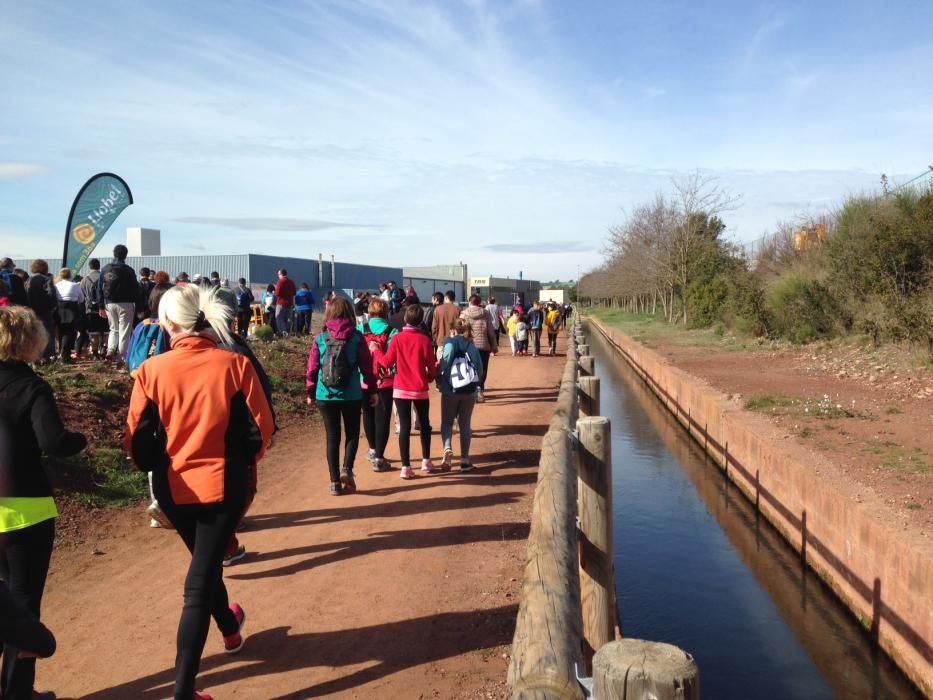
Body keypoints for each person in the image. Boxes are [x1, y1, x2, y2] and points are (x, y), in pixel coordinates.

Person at [125, 283, 275, 700]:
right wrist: (244, 469)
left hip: (173, 487)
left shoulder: (150, 371)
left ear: (169, 323)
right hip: (224, 485)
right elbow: (263, 429)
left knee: (204, 566)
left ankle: (229, 629)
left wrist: (159, 465)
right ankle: (183, 692)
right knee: (200, 580)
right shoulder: (233, 364)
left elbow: (135, 439)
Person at [0, 306, 87, 700]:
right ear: (31, 340)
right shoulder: (31, 387)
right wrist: (80, 440)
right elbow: (54, 442)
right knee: (23, 606)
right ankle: (19, 693)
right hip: (25, 509)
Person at [306, 297, 378, 495]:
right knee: (352, 433)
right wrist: (372, 390)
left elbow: (312, 368)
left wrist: (310, 392)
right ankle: (347, 469)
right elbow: (366, 366)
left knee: (332, 437)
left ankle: (334, 482)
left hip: (325, 394)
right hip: (352, 394)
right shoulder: (356, 337)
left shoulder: (321, 338)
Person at [377, 304, 436, 479]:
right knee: (424, 424)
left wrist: (376, 350)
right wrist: (429, 377)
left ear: (405, 319)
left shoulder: (397, 339)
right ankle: (426, 460)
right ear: (421, 320)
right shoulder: (425, 340)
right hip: (419, 389)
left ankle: (406, 467)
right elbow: (432, 370)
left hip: (401, 388)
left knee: (404, 426)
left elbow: (386, 363)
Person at [437, 318, 483, 472]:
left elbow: (445, 361)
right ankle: (464, 460)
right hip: (469, 390)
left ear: (453, 330)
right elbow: (480, 370)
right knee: (465, 424)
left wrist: (440, 378)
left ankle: (447, 447)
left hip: (451, 390)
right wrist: (476, 386)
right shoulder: (471, 346)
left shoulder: (450, 342)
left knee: (447, 422)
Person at [358, 298, 397, 472]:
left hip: (364, 380)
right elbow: (394, 358)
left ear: (370, 312)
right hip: (385, 380)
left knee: (368, 415)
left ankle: (372, 449)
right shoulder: (392, 331)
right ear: (385, 312)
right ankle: (380, 459)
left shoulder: (360, 330)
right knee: (383, 418)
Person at [98, 244, 140, 362]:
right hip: (126, 303)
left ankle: (110, 350)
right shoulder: (128, 270)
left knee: (113, 329)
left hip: (109, 303)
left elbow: (99, 288)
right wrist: (139, 306)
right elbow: (135, 289)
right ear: (126, 255)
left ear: (114, 253)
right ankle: (121, 358)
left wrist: (101, 306)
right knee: (125, 330)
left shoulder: (105, 268)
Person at [459, 294, 497, 402]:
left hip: (468, 346)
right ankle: (480, 389)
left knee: (469, 368)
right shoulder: (485, 313)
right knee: (483, 368)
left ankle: (471, 390)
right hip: (483, 345)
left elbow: (459, 330)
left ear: (469, 302)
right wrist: (494, 346)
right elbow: (491, 331)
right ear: (479, 302)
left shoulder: (464, 314)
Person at [26, 260, 57, 363]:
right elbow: (52, 293)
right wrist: (53, 306)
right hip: (46, 310)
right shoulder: (46, 279)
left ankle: (37, 356)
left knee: (35, 333)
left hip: (33, 310)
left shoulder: (29, 280)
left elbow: (27, 294)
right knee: (48, 333)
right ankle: (49, 355)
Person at [54, 268, 85, 363]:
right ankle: (65, 356)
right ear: (70, 275)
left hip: (59, 307)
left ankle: (60, 353)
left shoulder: (56, 285)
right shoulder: (75, 285)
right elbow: (81, 299)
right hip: (71, 308)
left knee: (60, 331)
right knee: (69, 332)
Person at [431, 290, 461, 360]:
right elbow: (461, 327)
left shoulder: (437, 309)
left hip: (441, 341)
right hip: (454, 341)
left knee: (441, 366)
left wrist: (435, 339)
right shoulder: (458, 310)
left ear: (446, 298)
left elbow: (434, 327)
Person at [274, 268, 296, 336]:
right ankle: (288, 332)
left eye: (278, 274)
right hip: (290, 303)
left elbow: (277, 293)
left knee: (279, 318)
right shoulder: (291, 282)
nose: (278, 276)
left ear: (281, 274)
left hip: (281, 303)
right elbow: (294, 292)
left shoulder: (280, 282)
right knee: (288, 319)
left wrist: (274, 292)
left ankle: (283, 332)